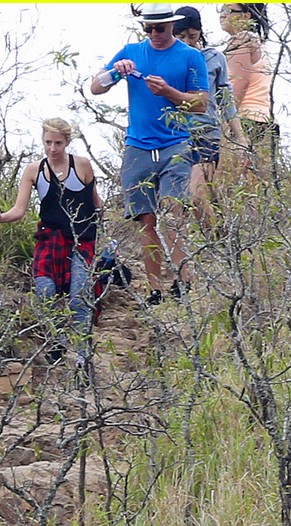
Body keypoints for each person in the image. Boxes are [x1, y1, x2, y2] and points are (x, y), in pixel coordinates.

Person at [90, 3, 209, 305]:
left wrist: (170, 92)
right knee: (146, 219)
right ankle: (155, 287)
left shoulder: (191, 56)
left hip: (176, 143)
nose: (154, 34)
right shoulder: (131, 51)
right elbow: (95, 87)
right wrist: (114, 72)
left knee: (174, 213)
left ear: (172, 26)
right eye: (149, 28)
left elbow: (201, 103)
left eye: (160, 28)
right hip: (139, 145)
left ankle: (184, 282)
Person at [0, 118, 104, 364]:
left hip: (82, 238)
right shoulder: (34, 170)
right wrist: (1, 216)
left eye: (58, 143)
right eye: (48, 142)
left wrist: (111, 228)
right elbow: (19, 209)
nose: (52, 148)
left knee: (79, 296)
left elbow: (95, 202)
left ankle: (83, 357)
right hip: (50, 238)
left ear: (67, 142)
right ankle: (56, 340)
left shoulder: (81, 165)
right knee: (45, 291)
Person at [173, 5, 250, 234]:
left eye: (192, 36)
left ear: (200, 33)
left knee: (196, 192)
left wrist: (240, 136)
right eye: (181, 37)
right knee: (186, 195)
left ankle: (215, 240)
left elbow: (226, 99)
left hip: (206, 132)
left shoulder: (213, 58)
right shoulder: (169, 60)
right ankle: (220, 234)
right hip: (176, 134)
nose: (187, 41)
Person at [220, 4, 276, 161]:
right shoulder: (255, 41)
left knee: (232, 176)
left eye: (229, 11)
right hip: (262, 120)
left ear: (246, 16)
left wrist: (227, 123)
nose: (223, 15)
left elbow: (238, 85)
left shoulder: (242, 40)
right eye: (222, 9)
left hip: (246, 118)